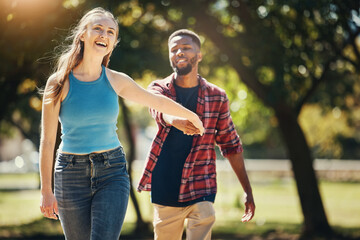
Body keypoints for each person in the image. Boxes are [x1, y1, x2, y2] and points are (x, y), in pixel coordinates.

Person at [39, 9, 204, 240]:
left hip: (111, 171)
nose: (104, 34)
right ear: (83, 35)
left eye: (110, 32)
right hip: (70, 173)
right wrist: (46, 191)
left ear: (113, 43)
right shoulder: (58, 82)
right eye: (98, 28)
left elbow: (155, 100)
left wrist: (192, 116)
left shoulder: (116, 80)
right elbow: (47, 141)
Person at [137, 29, 255, 240]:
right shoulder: (159, 88)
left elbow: (230, 144)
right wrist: (175, 120)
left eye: (186, 47)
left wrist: (247, 189)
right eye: (174, 49)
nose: (179, 52)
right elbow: (157, 109)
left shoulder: (217, 96)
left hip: (202, 185)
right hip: (166, 187)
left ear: (199, 55)